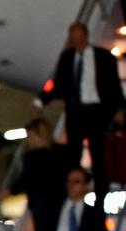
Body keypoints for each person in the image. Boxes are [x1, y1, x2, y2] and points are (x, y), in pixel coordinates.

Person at [39, 22, 126, 205]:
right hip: (76, 112)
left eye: (78, 36)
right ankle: (72, 195)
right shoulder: (67, 57)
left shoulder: (103, 57)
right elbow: (59, 84)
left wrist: (120, 109)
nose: (75, 41)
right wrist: (41, 100)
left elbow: (114, 86)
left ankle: (100, 201)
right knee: (72, 156)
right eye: (72, 37)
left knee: (99, 157)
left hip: (98, 112)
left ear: (85, 36)